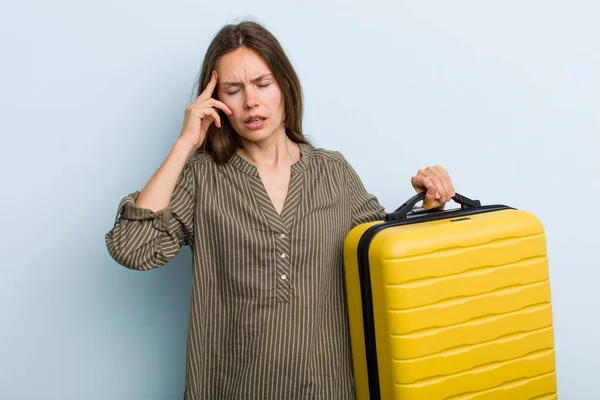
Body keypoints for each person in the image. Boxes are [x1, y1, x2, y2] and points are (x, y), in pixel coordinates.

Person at [105, 20, 456, 400]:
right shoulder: (201, 177)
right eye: (233, 90)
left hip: (329, 388)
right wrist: (186, 142)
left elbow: (381, 257)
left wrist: (430, 205)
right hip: (230, 388)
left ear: (285, 87)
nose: (250, 102)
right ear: (215, 101)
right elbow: (133, 248)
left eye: (262, 84)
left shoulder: (332, 171)